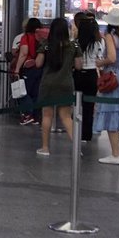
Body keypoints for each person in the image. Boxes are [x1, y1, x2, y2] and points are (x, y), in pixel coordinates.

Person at [35, 18, 83, 156]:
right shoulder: (74, 46)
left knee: (47, 115)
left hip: (48, 84)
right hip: (66, 83)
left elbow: (38, 63)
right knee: (67, 117)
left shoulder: (46, 45)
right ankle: (77, 148)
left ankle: (45, 148)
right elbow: (79, 66)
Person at [92, 8, 119, 165]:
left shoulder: (109, 36)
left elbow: (111, 57)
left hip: (113, 78)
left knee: (112, 113)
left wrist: (100, 62)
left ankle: (115, 154)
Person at [73, 18, 104, 142]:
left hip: (78, 74)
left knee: (76, 105)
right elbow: (100, 62)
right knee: (89, 107)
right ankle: (87, 134)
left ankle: (76, 132)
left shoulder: (75, 42)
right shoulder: (97, 44)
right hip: (91, 75)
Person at [13, 18, 43, 125]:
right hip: (40, 67)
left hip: (28, 68)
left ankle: (28, 114)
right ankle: (35, 116)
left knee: (24, 92)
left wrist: (17, 69)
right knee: (35, 93)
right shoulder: (42, 38)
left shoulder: (26, 37)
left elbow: (24, 53)